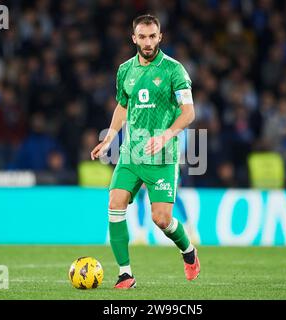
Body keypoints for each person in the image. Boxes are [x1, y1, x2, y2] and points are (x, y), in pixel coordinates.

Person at [90, 14, 199, 289]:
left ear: (160, 37)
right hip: (130, 155)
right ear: (134, 38)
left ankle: (188, 251)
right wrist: (110, 137)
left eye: (153, 37)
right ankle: (125, 274)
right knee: (115, 204)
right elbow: (122, 107)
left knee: (161, 219)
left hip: (162, 157)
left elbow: (189, 113)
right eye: (143, 36)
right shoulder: (125, 70)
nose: (148, 42)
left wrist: (165, 136)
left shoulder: (175, 70)